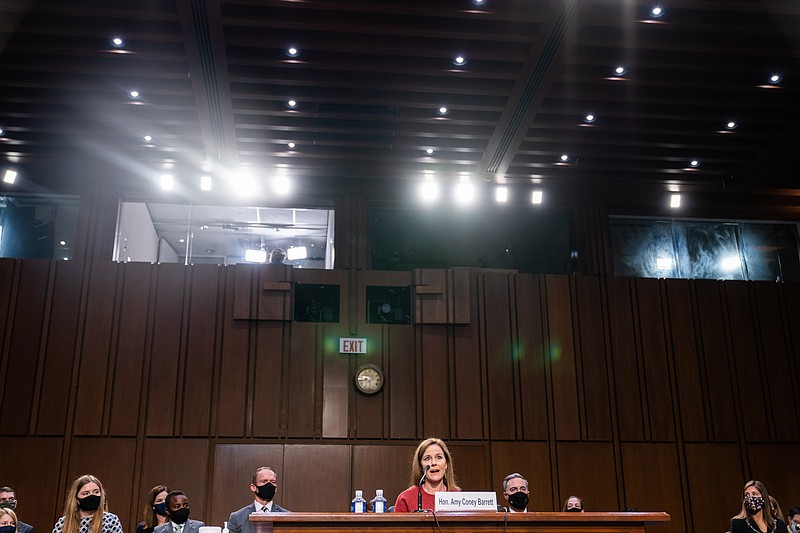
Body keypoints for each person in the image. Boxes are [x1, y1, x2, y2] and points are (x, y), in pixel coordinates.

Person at [393, 437, 460, 512]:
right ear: (420, 466)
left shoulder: (458, 498)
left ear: (446, 464)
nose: (434, 463)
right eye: (427, 458)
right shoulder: (406, 498)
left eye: (439, 457)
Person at [52, 474, 123, 533]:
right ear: (76, 498)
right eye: (85, 493)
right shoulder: (63, 523)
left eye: (96, 492)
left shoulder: (111, 521)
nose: (91, 496)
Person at [228, 467, 289, 533]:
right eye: (264, 481)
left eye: (272, 482)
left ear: (276, 488)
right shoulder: (237, 518)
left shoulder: (288, 516)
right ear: (253, 487)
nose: (269, 485)